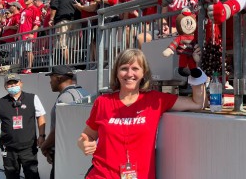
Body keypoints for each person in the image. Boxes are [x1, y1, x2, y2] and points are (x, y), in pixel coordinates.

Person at [77, 49, 207, 179]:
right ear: (116, 73)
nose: (129, 73)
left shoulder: (155, 100)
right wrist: (84, 144)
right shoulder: (103, 102)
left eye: (135, 68)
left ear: (143, 72)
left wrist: (195, 70)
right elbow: (87, 135)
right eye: (123, 68)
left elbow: (197, 103)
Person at [0, 73, 46, 179]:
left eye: (15, 83)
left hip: (28, 148)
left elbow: (40, 117)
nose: (12, 86)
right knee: (11, 176)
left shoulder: (33, 98)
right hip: (9, 149)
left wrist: (42, 135)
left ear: (21, 84)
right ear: (5, 86)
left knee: (32, 175)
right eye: (9, 84)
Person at [41, 65, 89, 179]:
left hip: (65, 154)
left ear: (59, 78)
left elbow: (59, 129)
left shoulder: (65, 98)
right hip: (75, 153)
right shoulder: (83, 92)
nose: (50, 82)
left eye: (51, 78)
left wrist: (44, 146)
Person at [48, 0, 81, 64]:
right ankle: (73, 63)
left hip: (62, 20)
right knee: (74, 44)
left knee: (63, 44)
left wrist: (51, 19)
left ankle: (68, 64)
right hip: (76, 20)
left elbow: (54, 7)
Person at [18, 0, 41, 74]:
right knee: (22, 52)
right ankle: (22, 68)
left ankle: (29, 68)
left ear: (32, 0)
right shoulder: (23, 10)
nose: (25, 0)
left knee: (28, 51)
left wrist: (32, 33)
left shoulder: (35, 9)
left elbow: (37, 23)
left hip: (28, 34)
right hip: (21, 34)